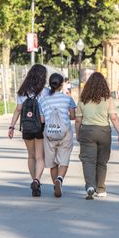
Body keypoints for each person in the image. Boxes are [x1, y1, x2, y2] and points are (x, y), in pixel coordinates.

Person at [75, 72, 119, 200]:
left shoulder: (82, 99)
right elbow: (113, 117)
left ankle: (90, 186)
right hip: (104, 132)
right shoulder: (108, 99)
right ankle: (100, 188)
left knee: (88, 160)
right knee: (102, 161)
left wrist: (78, 133)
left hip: (88, 131)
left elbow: (78, 120)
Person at [8, 64, 48, 197]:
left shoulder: (22, 91)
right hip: (41, 127)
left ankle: (33, 181)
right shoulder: (45, 91)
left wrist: (12, 127)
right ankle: (37, 180)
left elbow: (18, 110)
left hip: (27, 126)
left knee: (31, 155)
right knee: (39, 157)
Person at [39, 73, 76, 198]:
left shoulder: (43, 100)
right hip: (65, 132)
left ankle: (55, 184)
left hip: (49, 133)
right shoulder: (67, 98)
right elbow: (73, 116)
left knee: (52, 162)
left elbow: (42, 120)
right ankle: (60, 179)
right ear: (61, 85)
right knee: (64, 159)